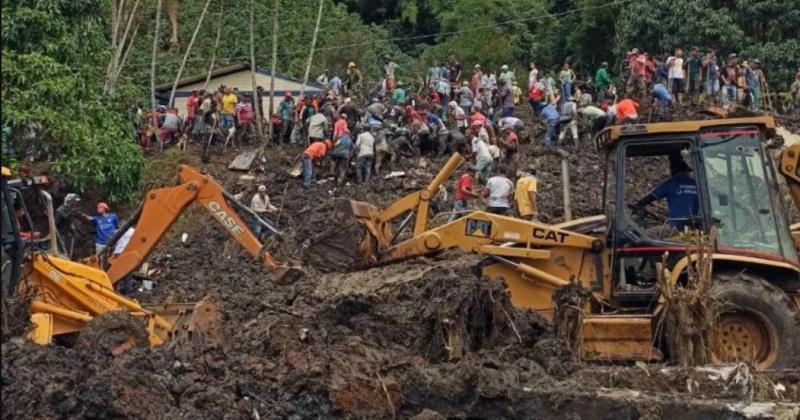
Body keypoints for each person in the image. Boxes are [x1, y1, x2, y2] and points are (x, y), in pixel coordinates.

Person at [634, 155, 698, 238]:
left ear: (673, 171)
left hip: (676, 227)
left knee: (643, 236)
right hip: (695, 228)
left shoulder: (671, 183)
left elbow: (650, 197)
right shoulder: (696, 184)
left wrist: (638, 204)